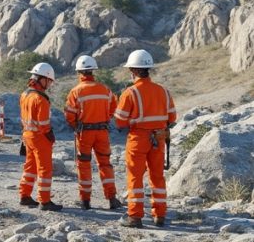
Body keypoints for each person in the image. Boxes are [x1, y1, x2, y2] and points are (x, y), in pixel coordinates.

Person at [113, 49, 176, 228]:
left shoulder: (130, 93)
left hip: (138, 139)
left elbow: (120, 121)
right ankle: (160, 215)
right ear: (148, 69)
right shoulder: (163, 91)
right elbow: (172, 118)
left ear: (132, 70)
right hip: (159, 138)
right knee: (157, 177)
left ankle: (134, 216)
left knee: (135, 178)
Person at [65, 55, 123, 211]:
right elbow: (114, 107)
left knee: (84, 165)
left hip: (84, 134)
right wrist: (104, 119)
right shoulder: (105, 89)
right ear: (93, 72)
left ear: (79, 73)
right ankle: (111, 199)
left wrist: (75, 125)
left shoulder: (75, 91)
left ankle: (85, 201)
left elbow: (70, 115)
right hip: (102, 132)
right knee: (105, 164)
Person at [18, 62, 63, 211]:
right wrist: (50, 134)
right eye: (49, 81)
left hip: (27, 136)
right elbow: (43, 123)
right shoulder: (41, 99)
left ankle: (24, 196)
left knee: (30, 167)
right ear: (43, 79)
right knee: (44, 169)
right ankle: (44, 201)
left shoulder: (24, 94)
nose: (49, 84)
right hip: (39, 137)